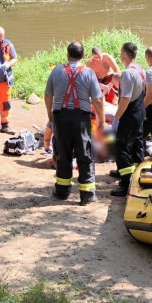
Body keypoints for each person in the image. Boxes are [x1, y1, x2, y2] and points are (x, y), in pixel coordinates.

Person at [44, 41, 105, 205]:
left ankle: (62, 192)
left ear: (67, 54)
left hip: (60, 117)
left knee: (63, 154)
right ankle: (87, 195)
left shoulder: (56, 71)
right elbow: (98, 100)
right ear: (83, 56)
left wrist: (50, 115)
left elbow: (48, 95)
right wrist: (102, 121)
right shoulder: (89, 73)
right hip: (81, 119)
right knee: (84, 155)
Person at [110, 42, 146, 197]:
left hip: (130, 113)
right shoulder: (140, 69)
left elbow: (125, 98)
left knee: (121, 146)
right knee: (137, 144)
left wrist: (117, 118)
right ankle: (138, 175)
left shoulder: (128, 73)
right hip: (139, 111)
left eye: (120, 52)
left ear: (124, 54)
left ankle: (125, 183)